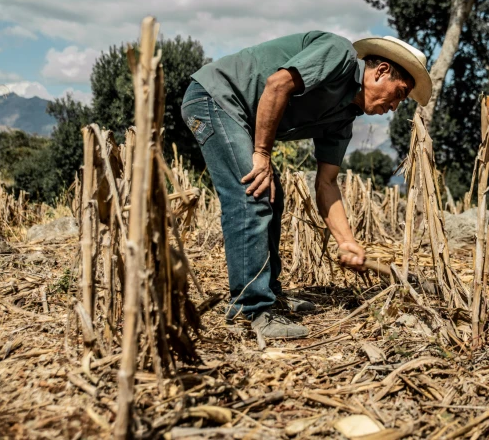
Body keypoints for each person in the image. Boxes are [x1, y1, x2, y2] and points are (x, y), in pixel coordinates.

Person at [181, 31, 431, 339]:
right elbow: (278, 84)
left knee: (272, 196)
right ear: (380, 71)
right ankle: (252, 309)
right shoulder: (338, 54)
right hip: (214, 98)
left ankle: (269, 296)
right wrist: (261, 154)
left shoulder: (342, 120)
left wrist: (346, 242)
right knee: (253, 192)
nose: (394, 106)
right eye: (398, 92)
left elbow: (326, 183)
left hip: (239, 115)